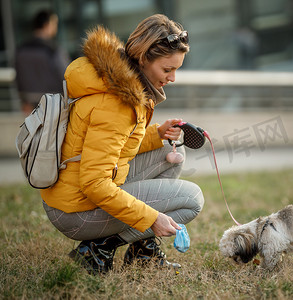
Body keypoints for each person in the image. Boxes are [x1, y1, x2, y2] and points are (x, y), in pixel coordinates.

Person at [40, 14, 204, 274]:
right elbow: (94, 183)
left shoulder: (121, 84)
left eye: (176, 70)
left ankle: (143, 253)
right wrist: (151, 218)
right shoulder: (117, 102)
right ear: (143, 58)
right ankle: (97, 249)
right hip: (76, 211)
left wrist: (156, 134)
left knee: (170, 149)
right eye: (167, 69)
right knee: (192, 199)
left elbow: (113, 148)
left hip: (73, 194)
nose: (172, 78)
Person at [15, 9, 70, 115]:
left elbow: (18, 77)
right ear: (47, 24)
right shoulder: (53, 50)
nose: (56, 27)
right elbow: (66, 75)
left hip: (30, 105)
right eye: (54, 23)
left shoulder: (21, 49)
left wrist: (24, 100)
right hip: (54, 104)